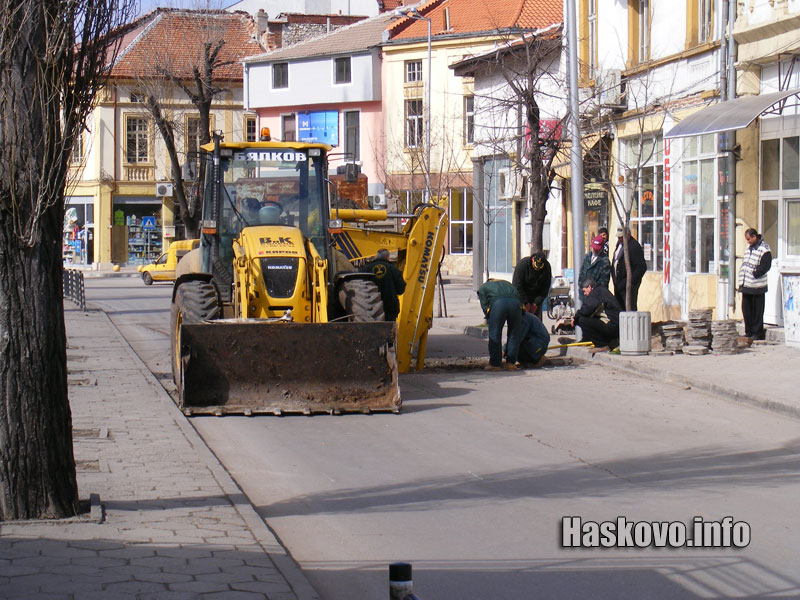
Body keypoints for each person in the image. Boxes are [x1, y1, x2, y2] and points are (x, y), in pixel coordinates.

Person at [477, 279, 523, 371]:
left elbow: (484, 304)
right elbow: (519, 296)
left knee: (495, 334)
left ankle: (495, 364)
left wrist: (488, 314)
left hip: (499, 304)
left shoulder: (484, 287)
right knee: (514, 334)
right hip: (516, 304)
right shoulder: (508, 284)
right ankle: (510, 363)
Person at [737, 227, 772, 340]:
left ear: (754, 237)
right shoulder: (749, 248)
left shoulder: (764, 249)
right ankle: (749, 331)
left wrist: (755, 273)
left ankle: (757, 333)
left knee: (757, 310)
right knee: (746, 309)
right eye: (746, 239)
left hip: (757, 285)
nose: (747, 241)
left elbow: (766, 265)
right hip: (746, 284)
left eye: (749, 239)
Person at [571, 277, 622, 350]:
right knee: (587, 318)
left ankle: (602, 345)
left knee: (582, 320)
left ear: (589, 287)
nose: (585, 294)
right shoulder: (600, 290)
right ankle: (590, 339)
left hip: (612, 326)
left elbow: (587, 309)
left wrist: (575, 319)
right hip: (615, 326)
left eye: (584, 291)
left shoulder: (597, 292)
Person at [361, 249, 406, 322]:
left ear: (376, 256)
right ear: (387, 256)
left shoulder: (366, 268)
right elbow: (401, 289)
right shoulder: (393, 269)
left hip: (369, 308)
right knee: (389, 330)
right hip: (389, 308)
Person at [611, 227, 647, 311]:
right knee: (619, 308)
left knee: (629, 309)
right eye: (618, 237)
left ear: (628, 235)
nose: (619, 239)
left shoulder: (634, 247)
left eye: (621, 237)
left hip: (628, 286)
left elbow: (641, 267)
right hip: (618, 285)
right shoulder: (619, 244)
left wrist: (629, 282)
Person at [512, 251, 552, 319]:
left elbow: (545, 287)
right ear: (533, 259)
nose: (537, 269)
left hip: (535, 297)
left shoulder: (546, 267)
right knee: (521, 320)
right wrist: (525, 303)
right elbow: (517, 285)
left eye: (539, 267)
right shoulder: (523, 265)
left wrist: (536, 303)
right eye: (536, 267)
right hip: (521, 296)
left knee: (535, 321)